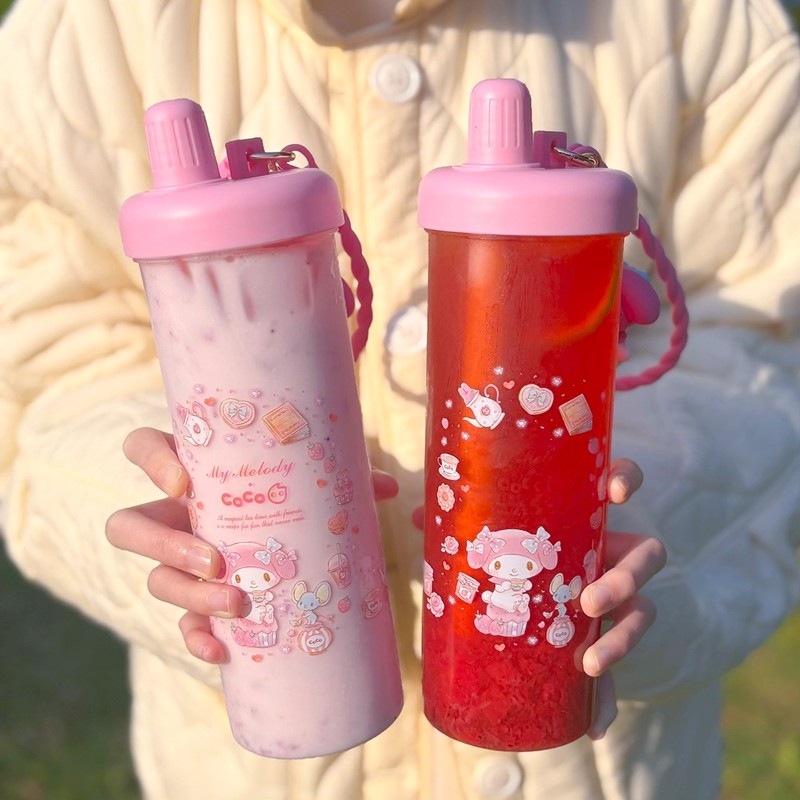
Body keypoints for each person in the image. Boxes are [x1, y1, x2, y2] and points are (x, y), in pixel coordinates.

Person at [1, 1, 798, 798]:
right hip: (245, 767)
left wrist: (651, 512)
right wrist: (151, 505)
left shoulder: (697, 19)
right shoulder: (81, 30)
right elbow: (47, 372)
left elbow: (766, 344)